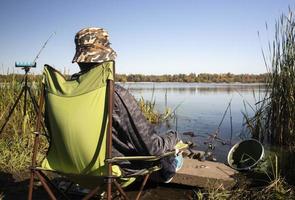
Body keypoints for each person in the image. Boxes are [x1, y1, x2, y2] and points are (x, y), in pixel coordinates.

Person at [71, 27, 183, 182]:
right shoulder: (115, 94)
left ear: (79, 59)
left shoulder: (63, 92)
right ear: (107, 58)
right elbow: (152, 148)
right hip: (111, 171)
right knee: (168, 145)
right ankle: (168, 170)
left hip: (71, 168)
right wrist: (174, 137)